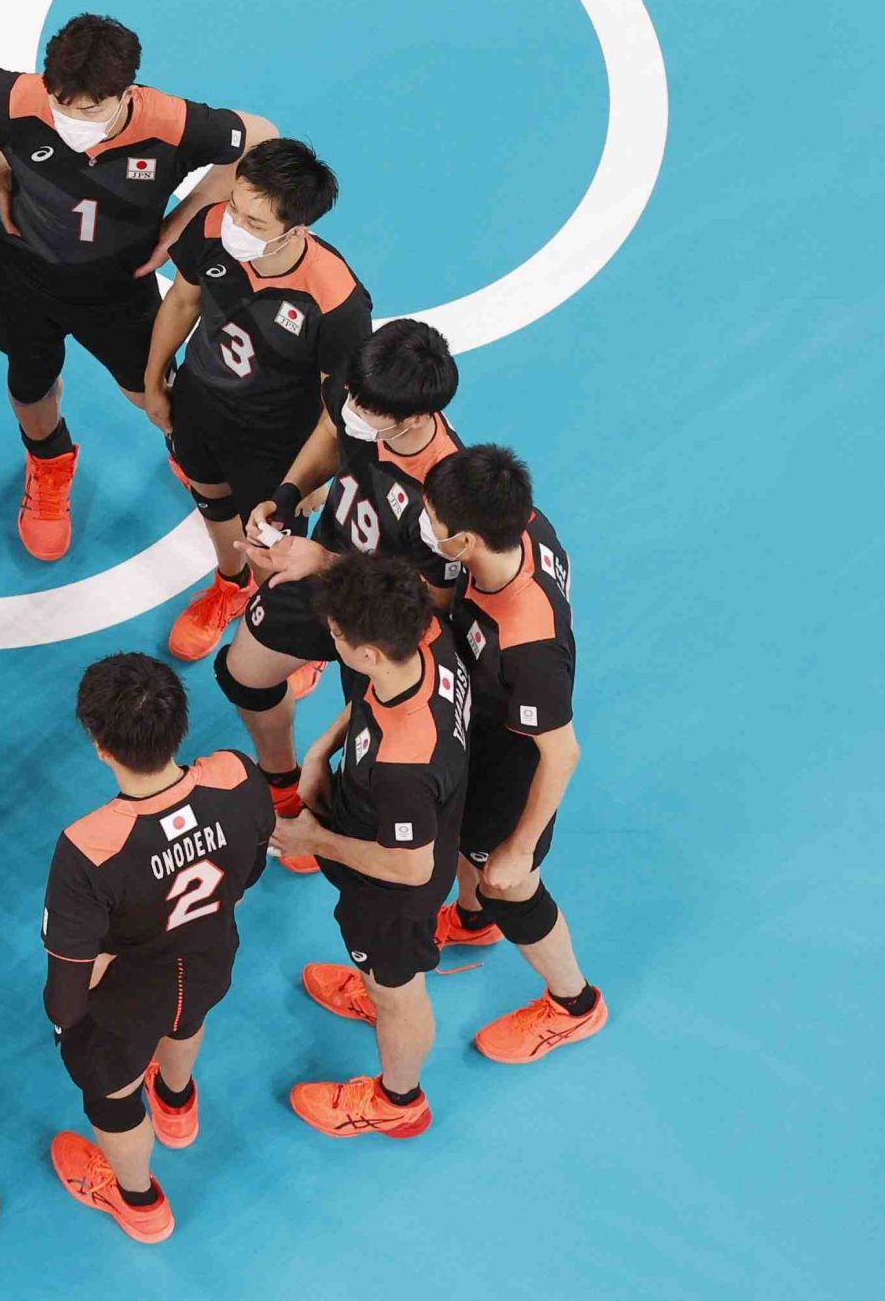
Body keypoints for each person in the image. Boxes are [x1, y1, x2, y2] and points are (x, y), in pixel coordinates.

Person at [0, 15, 273, 560]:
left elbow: (260, 138)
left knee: (154, 391)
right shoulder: (17, 99)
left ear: (126, 92)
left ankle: (188, 450)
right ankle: (48, 460)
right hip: (24, 272)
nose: (70, 121)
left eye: (88, 110)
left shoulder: (173, 124)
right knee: (28, 383)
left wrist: (179, 227)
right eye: (61, 104)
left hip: (119, 287)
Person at [215, 318, 466, 869]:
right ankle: (281, 782)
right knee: (242, 675)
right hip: (320, 570)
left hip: (383, 624)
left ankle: (323, 816)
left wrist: (326, 562)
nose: (350, 404)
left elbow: (436, 605)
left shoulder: (442, 491)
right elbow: (332, 429)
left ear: (415, 417)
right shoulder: (362, 390)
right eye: (351, 392)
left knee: (364, 755)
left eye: (365, 406)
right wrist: (287, 495)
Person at [42, 654, 274, 1243]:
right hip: (210, 959)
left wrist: (70, 1030)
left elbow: (66, 994)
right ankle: (175, 1103)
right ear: (180, 726)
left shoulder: (88, 847)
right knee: (186, 1017)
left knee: (112, 1095)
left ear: (101, 745)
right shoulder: (236, 774)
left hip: (127, 999)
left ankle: (138, 1200)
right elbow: (248, 871)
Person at [142, 138, 370, 661]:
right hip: (200, 403)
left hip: (276, 443)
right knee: (211, 498)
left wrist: (310, 481)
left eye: (255, 224)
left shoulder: (335, 303)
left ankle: (297, 634)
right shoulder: (210, 228)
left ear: (298, 230)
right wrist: (155, 381)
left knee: (276, 549)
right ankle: (230, 583)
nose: (234, 227)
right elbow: (182, 300)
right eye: (235, 208)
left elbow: (341, 411)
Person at [422, 446, 609, 1061]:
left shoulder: (529, 646)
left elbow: (562, 753)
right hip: (484, 727)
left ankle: (574, 1003)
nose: (428, 526)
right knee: (466, 846)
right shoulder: (524, 524)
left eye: (434, 522)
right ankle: (474, 922)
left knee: (512, 885)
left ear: (468, 538)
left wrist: (519, 846)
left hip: (518, 761)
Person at [275, 553, 471, 1139]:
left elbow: (411, 869)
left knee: (399, 990)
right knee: (385, 979)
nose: (331, 640)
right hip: (385, 827)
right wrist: (318, 751)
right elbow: (367, 698)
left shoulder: (403, 766)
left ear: (367, 652)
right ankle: (375, 990)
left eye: (336, 635)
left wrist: (314, 838)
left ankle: (398, 1101)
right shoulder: (425, 637)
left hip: (393, 893)